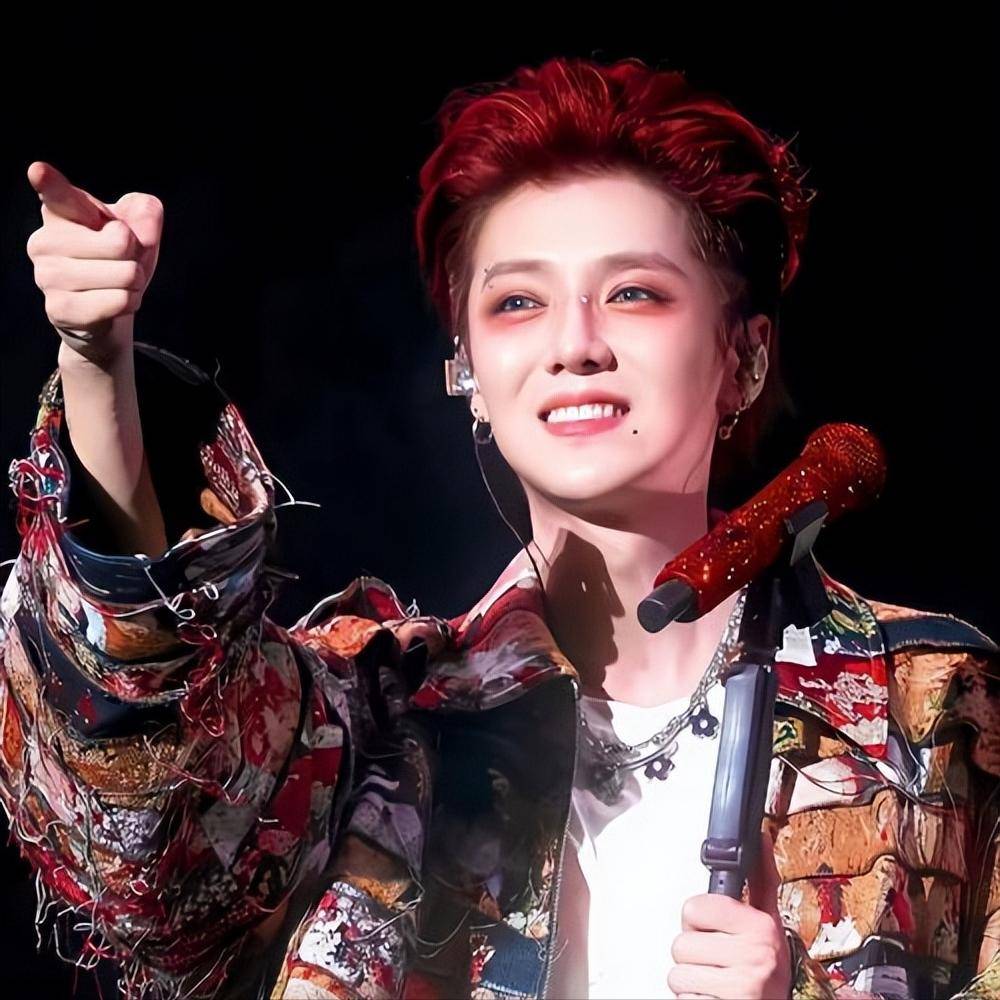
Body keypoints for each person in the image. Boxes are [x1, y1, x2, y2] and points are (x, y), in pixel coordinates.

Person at [2, 54, 998, 1000]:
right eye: (518, 301)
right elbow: (149, 793)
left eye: (634, 293)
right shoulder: (380, 729)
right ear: (469, 370)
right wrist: (97, 363)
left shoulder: (933, 714)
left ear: (743, 356)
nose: (574, 343)